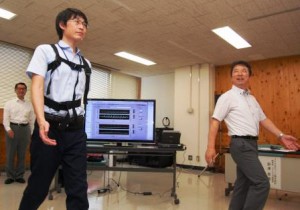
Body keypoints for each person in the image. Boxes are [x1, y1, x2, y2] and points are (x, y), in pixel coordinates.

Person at [18, 8, 91, 210]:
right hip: (49, 128)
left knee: (78, 188)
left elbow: (81, 99)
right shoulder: (46, 51)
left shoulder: (86, 64)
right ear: (62, 25)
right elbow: (38, 86)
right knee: (38, 186)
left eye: (84, 24)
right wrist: (41, 120)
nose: (81, 26)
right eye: (76, 21)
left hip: (76, 133)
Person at [205, 60, 300, 210]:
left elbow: (264, 119)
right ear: (231, 77)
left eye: (244, 71)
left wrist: (281, 135)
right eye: (236, 71)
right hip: (240, 144)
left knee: (244, 184)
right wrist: (210, 147)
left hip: (252, 144)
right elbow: (215, 121)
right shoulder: (227, 97)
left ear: (249, 76)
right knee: (261, 183)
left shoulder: (252, 98)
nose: (240, 74)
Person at [3, 82, 35, 185]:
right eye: (19, 89)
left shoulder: (29, 104)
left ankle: (20, 175)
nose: (21, 91)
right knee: (10, 153)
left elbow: (31, 120)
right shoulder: (9, 103)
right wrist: (8, 129)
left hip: (25, 129)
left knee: (22, 153)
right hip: (12, 128)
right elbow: (5, 119)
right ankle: (11, 176)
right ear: (15, 90)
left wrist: (32, 132)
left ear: (25, 91)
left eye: (23, 89)